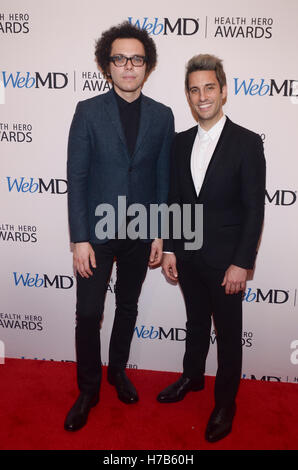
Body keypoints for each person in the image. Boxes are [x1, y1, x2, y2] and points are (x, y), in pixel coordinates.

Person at [65, 21, 174, 431]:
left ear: (147, 66)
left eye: (137, 59)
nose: (129, 66)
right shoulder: (88, 111)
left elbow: (163, 178)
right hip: (96, 234)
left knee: (127, 306)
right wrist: (79, 237)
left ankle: (117, 373)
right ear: (106, 65)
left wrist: (160, 232)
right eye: (120, 59)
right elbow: (76, 178)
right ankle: (89, 388)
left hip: (141, 231)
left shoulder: (163, 116)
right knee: (89, 312)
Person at [157, 54, 265, 443]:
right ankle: (191, 377)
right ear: (188, 95)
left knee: (229, 334)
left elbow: (255, 208)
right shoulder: (179, 142)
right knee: (195, 323)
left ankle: (225, 404)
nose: (202, 96)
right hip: (186, 256)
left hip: (226, 263)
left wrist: (242, 263)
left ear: (223, 91)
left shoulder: (247, 143)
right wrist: (169, 249)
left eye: (209, 88)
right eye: (194, 89)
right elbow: (172, 199)